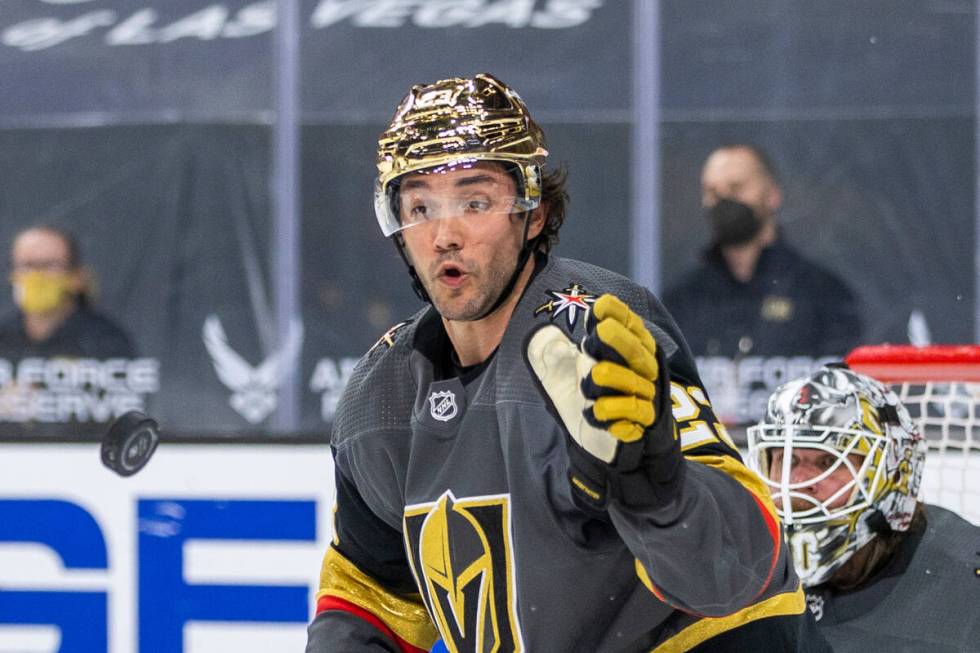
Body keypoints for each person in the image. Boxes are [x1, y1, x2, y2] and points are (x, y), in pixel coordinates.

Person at [307, 73, 828, 652]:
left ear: (534, 213)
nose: (445, 235)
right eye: (421, 205)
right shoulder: (381, 397)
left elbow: (737, 570)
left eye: (475, 201)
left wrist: (656, 492)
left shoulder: (599, 331)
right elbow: (372, 599)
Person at [746, 364, 980, 650]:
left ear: (892, 473)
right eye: (788, 460)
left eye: (828, 462)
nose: (797, 481)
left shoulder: (966, 585)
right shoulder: (737, 573)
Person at [664, 144, 862, 359]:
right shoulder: (682, 301)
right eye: (712, 192)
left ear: (772, 195)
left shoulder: (823, 295)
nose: (723, 201)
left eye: (736, 188)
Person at [0, 225, 134, 360]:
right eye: (27, 265)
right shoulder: (4, 335)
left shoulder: (105, 341)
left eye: (50, 265)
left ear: (77, 277)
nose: (37, 275)